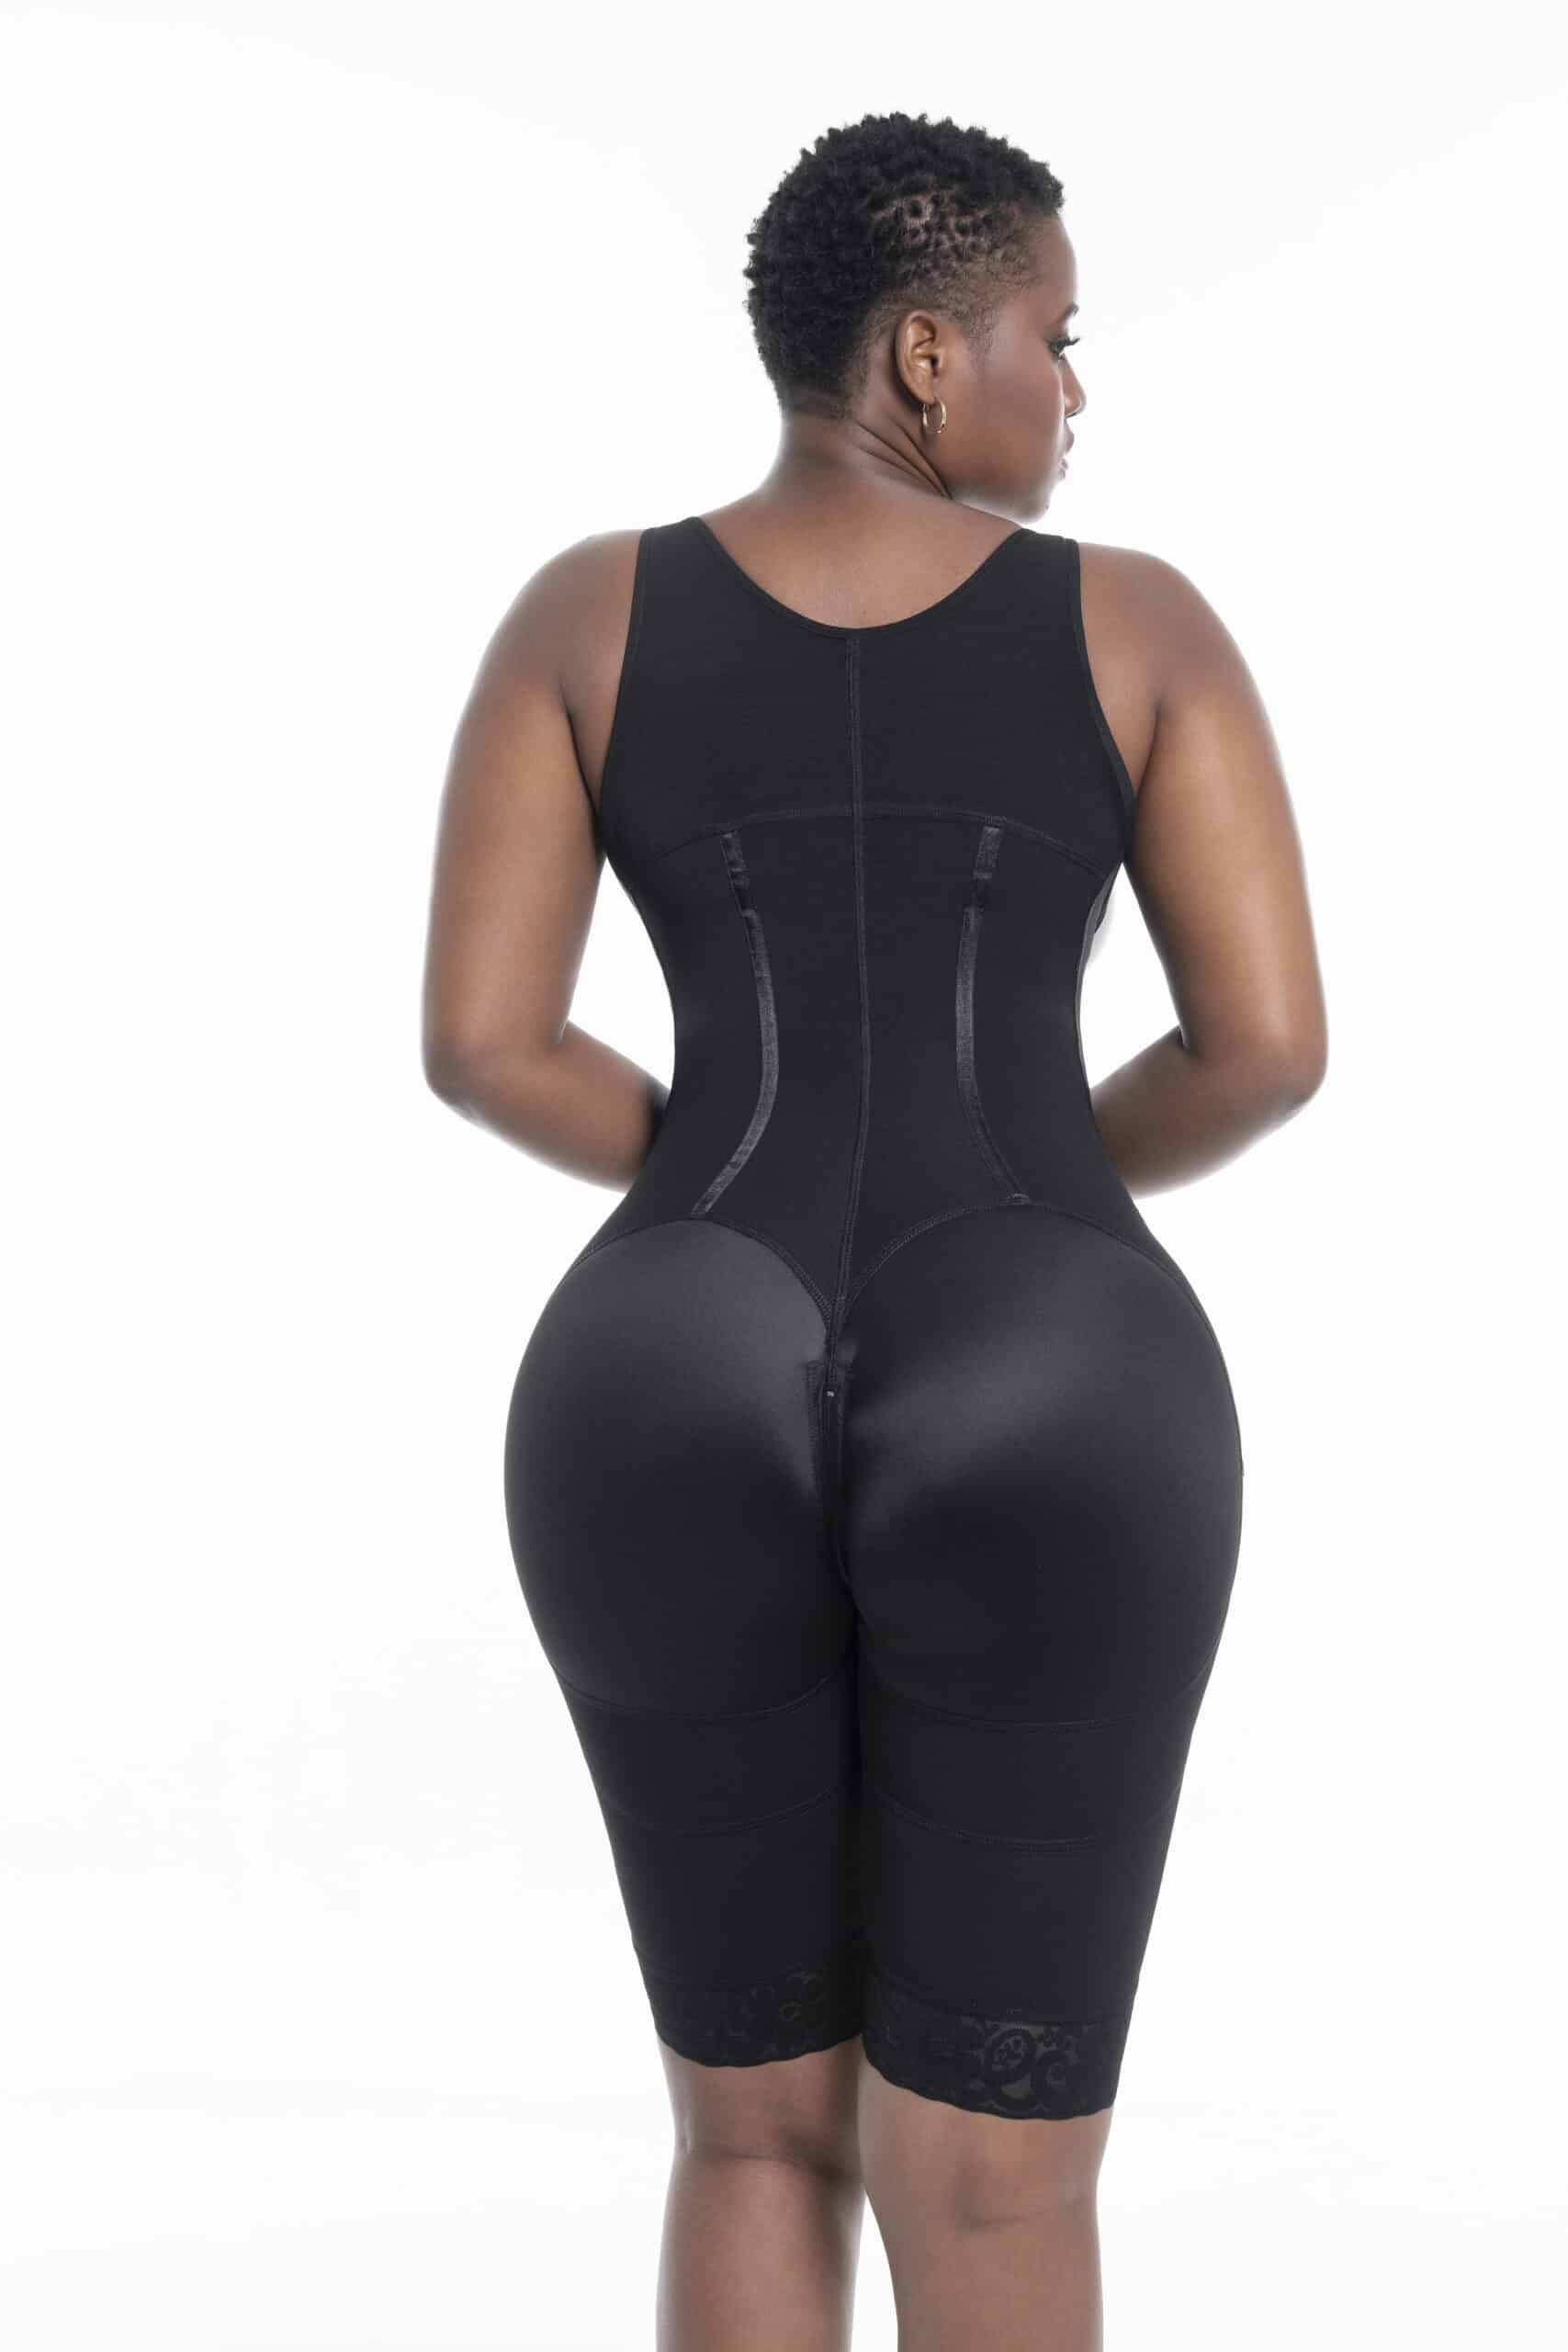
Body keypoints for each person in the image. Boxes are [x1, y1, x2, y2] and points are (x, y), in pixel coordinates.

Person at [422, 106, 1325, 2352]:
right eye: (1054, 335)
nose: (1073, 389)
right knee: (999, 2176)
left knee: (750, 2134)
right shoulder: (1135, 625)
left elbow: (483, 1040)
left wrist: (712, 1179)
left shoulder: (582, 613)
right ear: (926, 355)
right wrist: (1027, 1193)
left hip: (659, 1359)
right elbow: (1261, 1044)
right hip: (1060, 1360)